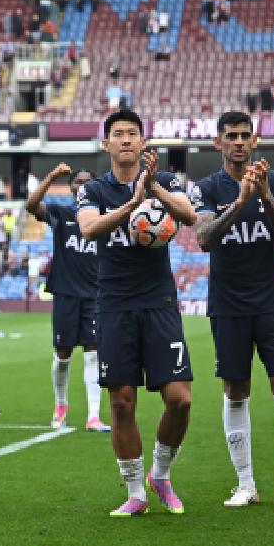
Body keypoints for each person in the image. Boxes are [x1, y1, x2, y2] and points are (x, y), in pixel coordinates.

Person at [194, 111, 274, 510]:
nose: (238, 142)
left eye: (244, 136)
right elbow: (204, 238)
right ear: (218, 143)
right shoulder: (207, 188)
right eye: (230, 136)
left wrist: (264, 195)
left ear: (254, 141)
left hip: (272, 301)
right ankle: (245, 483)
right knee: (236, 391)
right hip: (229, 305)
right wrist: (240, 203)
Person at [76, 110, 197, 517]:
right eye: (118, 134)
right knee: (122, 402)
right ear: (106, 144)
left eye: (133, 134)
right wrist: (132, 204)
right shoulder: (93, 189)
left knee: (179, 399)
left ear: (143, 143)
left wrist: (153, 192)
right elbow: (89, 229)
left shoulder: (163, 182)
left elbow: (189, 215)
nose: (126, 139)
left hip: (159, 302)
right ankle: (135, 492)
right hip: (114, 304)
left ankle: (160, 475)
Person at [26, 163, 108, 432]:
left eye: (87, 180)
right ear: (70, 187)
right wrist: (51, 176)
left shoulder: (104, 216)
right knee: (63, 354)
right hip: (66, 293)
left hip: (96, 295)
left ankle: (93, 415)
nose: (82, 184)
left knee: (93, 354)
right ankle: (61, 405)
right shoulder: (61, 213)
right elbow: (32, 205)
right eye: (77, 181)